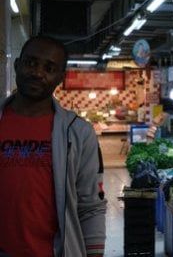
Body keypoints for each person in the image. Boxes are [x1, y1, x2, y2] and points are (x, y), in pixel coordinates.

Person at [0, 36, 106, 257]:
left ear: (60, 78)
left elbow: (90, 206)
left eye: (49, 68)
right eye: (31, 63)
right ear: (17, 65)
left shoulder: (78, 133)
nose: (37, 73)